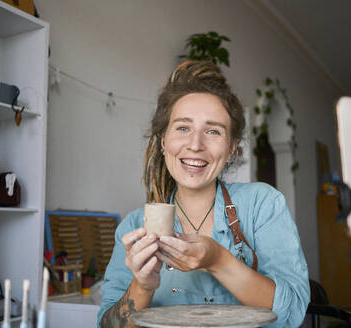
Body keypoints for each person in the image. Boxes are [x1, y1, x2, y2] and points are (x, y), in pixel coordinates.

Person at [98, 61, 310, 327]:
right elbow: (108, 325)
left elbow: (292, 313)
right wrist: (143, 286)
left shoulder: (262, 205)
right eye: (183, 128)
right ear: (163, 140)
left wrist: (219, 260)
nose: (195, 144)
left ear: (232, 148)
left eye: (212, 131)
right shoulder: (132, 226)